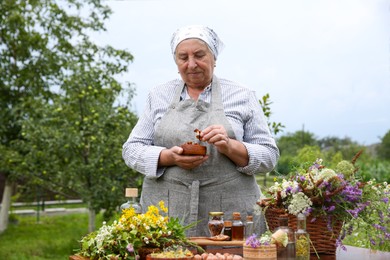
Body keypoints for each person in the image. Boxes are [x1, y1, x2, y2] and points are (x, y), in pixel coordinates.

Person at [122, 25, 279, 237]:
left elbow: (269, 155)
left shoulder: (242, 95)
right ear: (176, 61)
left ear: (214, 57)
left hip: (230, 212)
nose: (191, 64)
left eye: (199, 55)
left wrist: (230, 146)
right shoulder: (158, 95)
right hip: (167, 213)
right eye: (183, 57)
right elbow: (131, 150)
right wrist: (167, 157)